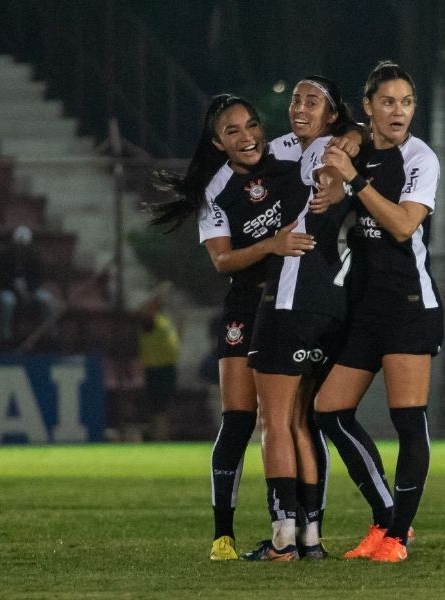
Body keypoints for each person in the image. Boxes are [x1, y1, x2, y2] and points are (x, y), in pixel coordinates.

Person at [145, 94, 317, 561]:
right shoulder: (214, 194)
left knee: (294, 420)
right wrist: (273, 244)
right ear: (219, 143)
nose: (248, 137)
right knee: (239, 420)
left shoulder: (285, 153)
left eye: (252, 125)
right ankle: (224, 535)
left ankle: (304, 532)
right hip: (246, 307)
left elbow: (330, 141)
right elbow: (222, 260)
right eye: (234, 131)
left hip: (291, 304)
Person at [315, 60, 443, 563]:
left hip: (411, 305)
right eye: (388, 102)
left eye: (407, 102)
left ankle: (395, 537)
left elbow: (404, 226)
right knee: (329, 411)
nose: (399, 111)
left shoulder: (420, 159)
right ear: (369, 107)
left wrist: (354, 181)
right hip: (366, 306)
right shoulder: (357, 146)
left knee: (408, 421)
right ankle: (385, 514)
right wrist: (335, 171)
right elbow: (328, 189)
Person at [240, 75, 362, 562]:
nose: (299, 106)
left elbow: (329, 173)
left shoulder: (326, 150)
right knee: (301, 422)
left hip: (293, 298)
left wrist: (332, 183)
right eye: (295, 99)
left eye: (312, 101)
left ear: (332, 115)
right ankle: (310, 540)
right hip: (330, 302)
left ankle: (281, 541)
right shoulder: (305, 144)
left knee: (273, 422)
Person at [0, 225, 58, 345]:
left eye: (24, 245)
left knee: (46, 299)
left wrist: (27, 289)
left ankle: (50, 335)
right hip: (8, 289)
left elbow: (38, 279)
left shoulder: (35, 258)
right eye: (18, 245)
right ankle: (5, 337)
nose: (21, 248)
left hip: (31, 289)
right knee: (8, 302)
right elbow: (0, 279)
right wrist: (15, 287)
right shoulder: (4, 257)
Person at [135, 285, 179, 440]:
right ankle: (160, 435)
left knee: (164, 405)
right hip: (155, 368)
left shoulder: (162, 319)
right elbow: (145, 309)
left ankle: (162, 434)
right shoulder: (148, 321)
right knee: (158, 405)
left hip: (167, 366)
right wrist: (159, 291)